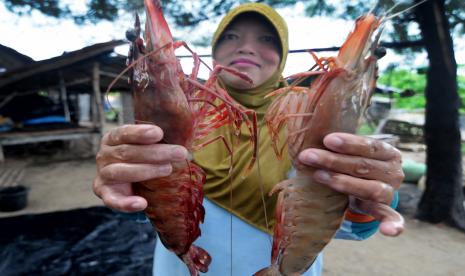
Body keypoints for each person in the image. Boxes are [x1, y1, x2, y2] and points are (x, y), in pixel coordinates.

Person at [93, 3, 404, 275]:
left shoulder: (302, 118)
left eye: (267, 39)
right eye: (231, 36)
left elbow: (349, 224)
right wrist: (131, 187)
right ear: (211, 51)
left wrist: (362, 200)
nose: (246, 48)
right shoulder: (190, 113)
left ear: (283, 54)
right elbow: (146, 211)